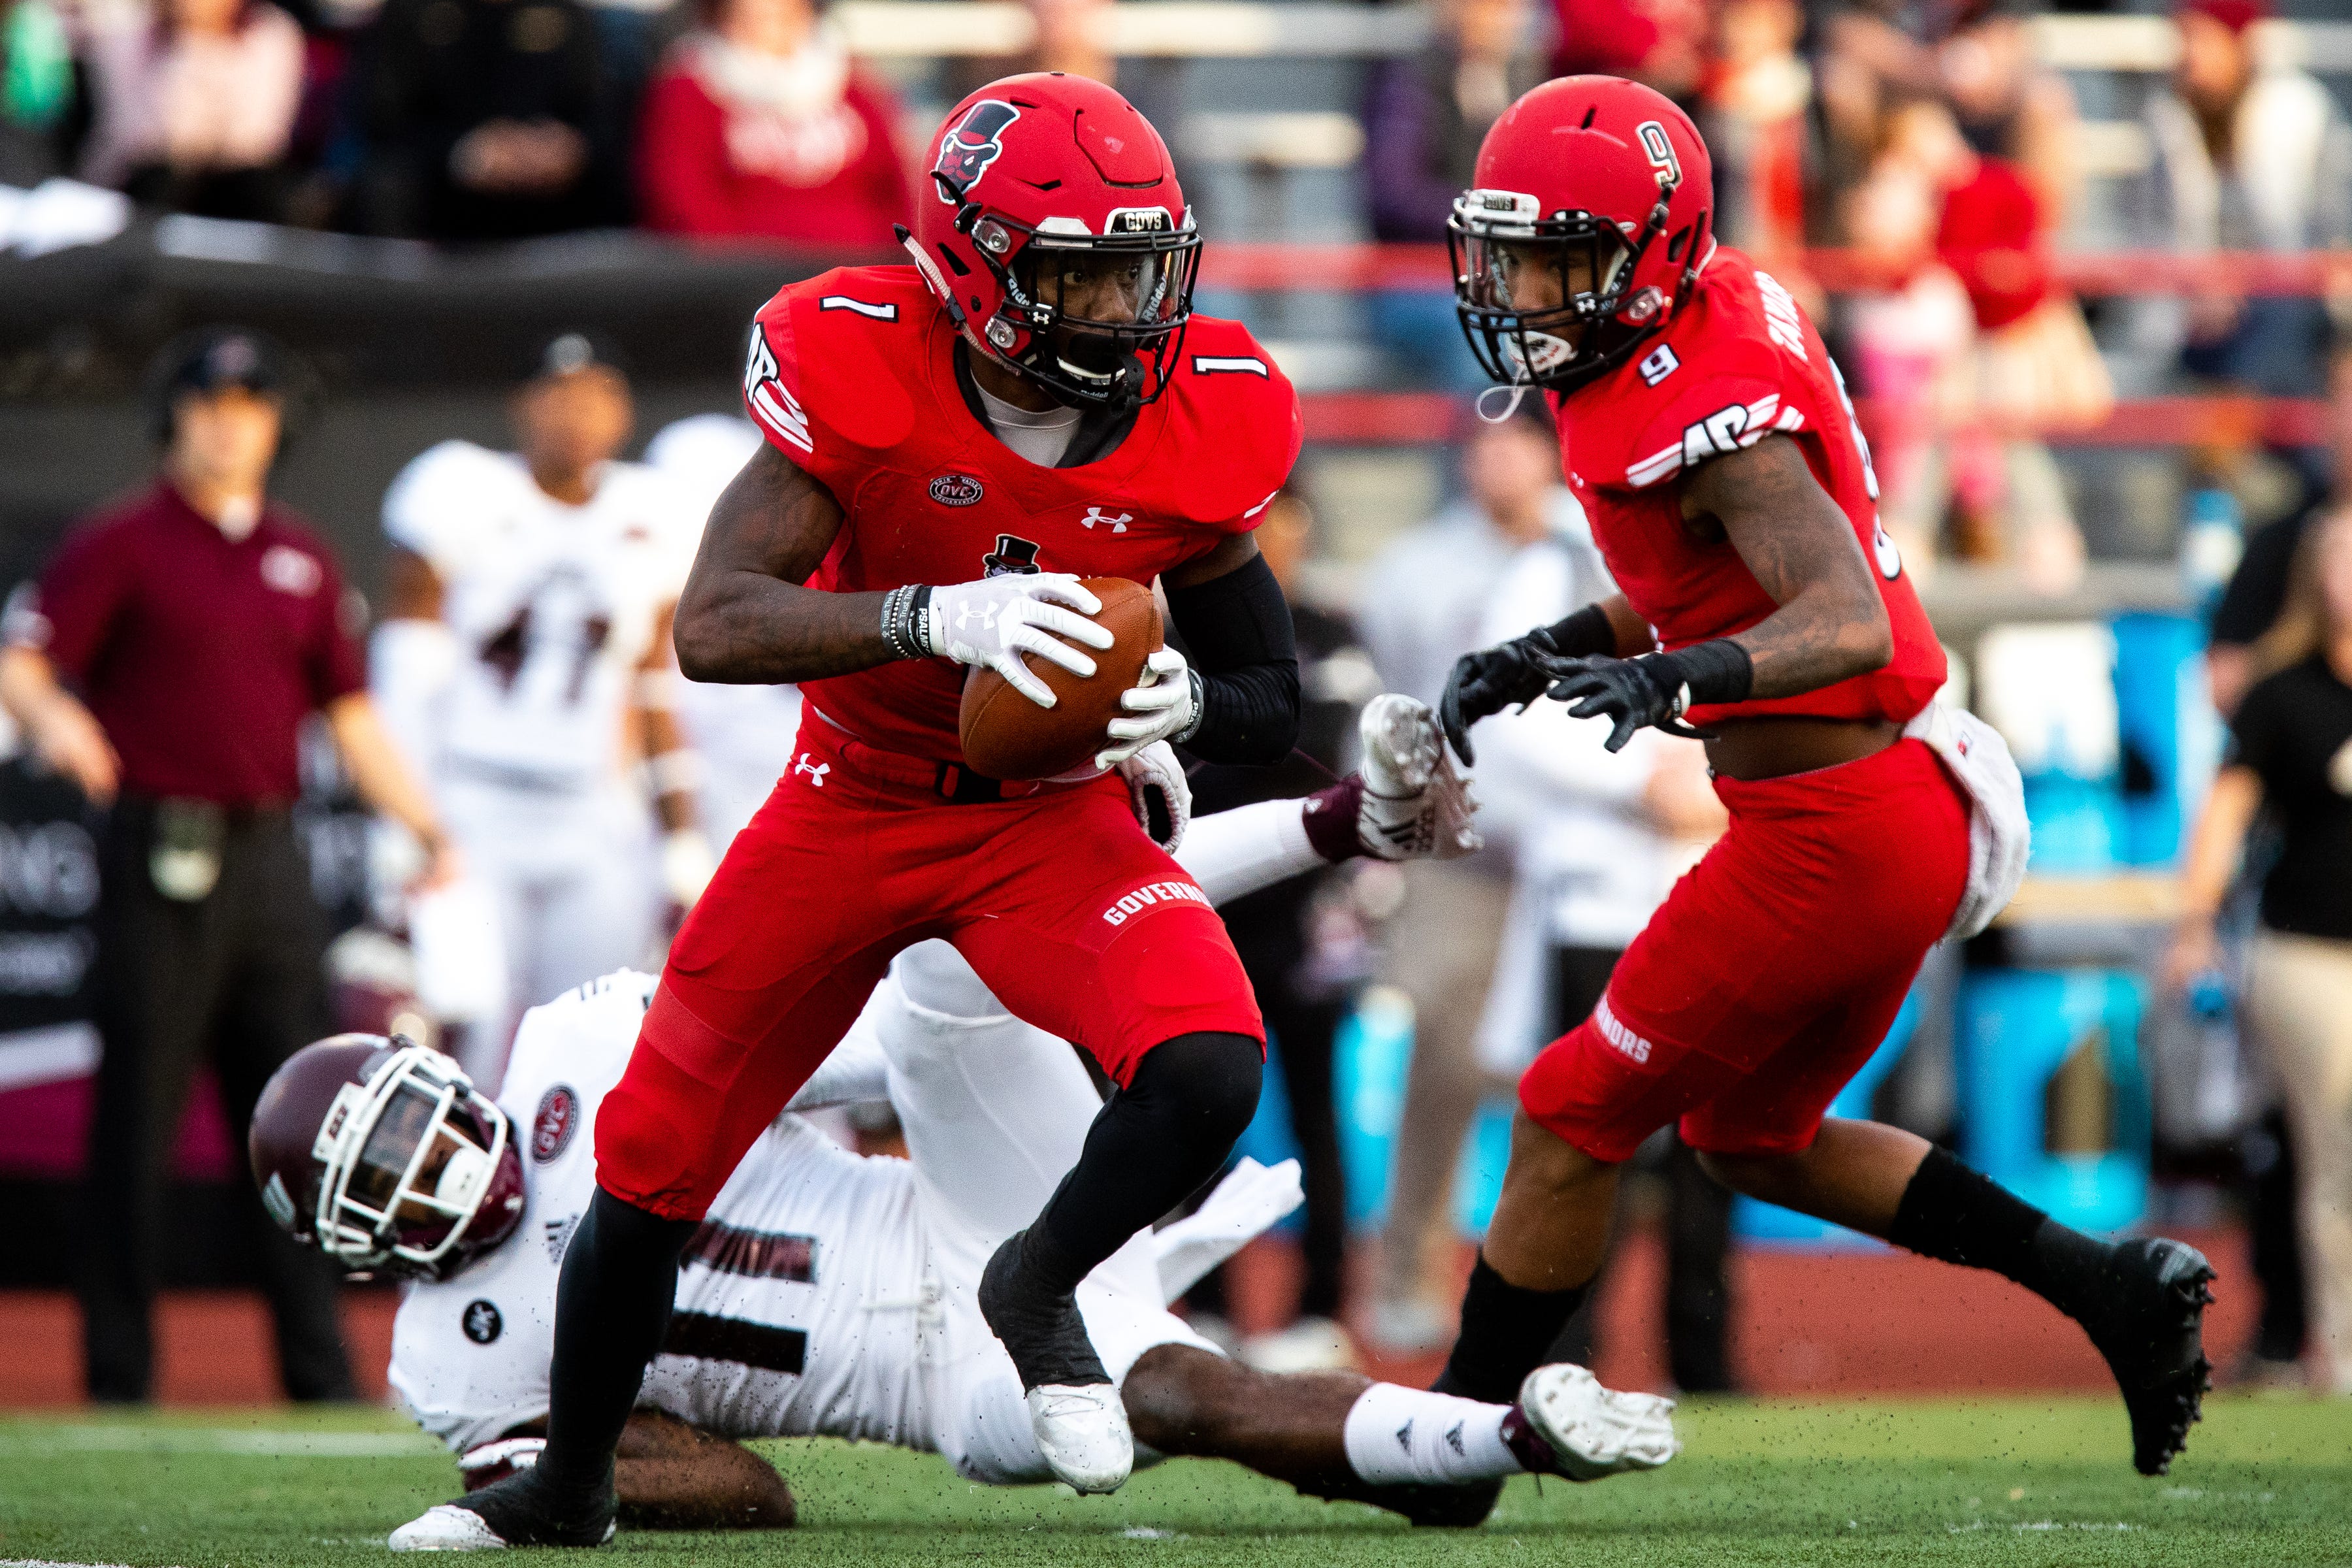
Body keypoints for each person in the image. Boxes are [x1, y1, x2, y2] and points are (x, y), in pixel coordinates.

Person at [434, 74, 1307, 1546]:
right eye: (1078, 272)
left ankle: (1032, 1283)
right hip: (851, 803)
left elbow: (1272, 692)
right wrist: (928, 616)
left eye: (1137, 266)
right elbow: (714, 624)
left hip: (1044, 818)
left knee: (1212, 1071)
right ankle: (574, 1480)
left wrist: (1192, 714)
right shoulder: (858, 357)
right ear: (970, 265)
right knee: (653, 1160)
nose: (1118, 308)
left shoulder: (1202, 415)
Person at [256, 716, 1655, 1546]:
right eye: (380, 1178)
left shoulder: (574, 1045)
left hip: (977, 1209)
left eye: (408, 1129)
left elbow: (862, 1053)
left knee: (944, 950)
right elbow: (753, 1493)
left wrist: (993, 1054)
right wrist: (554, 1473)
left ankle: (1339, 823)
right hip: (943, 1387)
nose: (427, 1164)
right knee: (1169, 1394)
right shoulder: (453, 1364)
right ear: (349, 1244)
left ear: (439, 1078)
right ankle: (1495, 1447)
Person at [1434, 76, 2212, 1494]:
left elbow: (1839, 613)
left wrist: (1677, 684)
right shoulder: (1690, 332)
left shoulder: (1710, 401)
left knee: (1567, 1114)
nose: (1521, 284)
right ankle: (2115, 1292)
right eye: (1510, 248)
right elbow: (1701, 577)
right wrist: (1549, 647)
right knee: (1751, 1139)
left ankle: (1447, 1444)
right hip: (1876, 815)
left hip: (1831, 831)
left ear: (1647, 256)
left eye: (1556, 255)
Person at [0, 327, 456, 1403]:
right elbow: (26, 659)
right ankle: (118, 1375)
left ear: (271, 423)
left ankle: (319, 1376)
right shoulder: (124, 541)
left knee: (299, 1122)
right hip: (163, 849)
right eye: (208, 402)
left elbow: (351, 716)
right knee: (137, 1124)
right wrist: (59, 721)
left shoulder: (298, 554)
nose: (227, 421)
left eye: (248, 403)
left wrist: (432, 829)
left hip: (271, 860)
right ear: (175, 419)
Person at [372, 333, 711, 1088]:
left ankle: (574, 1209)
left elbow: (654, 686)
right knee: (469, 1034)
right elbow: (407, 673)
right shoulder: (459, 492)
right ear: (520, 406)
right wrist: (406, 821)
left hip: (592, 816)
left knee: (596, 1039)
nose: (576, 414)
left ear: (623, 412)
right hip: (473, 807)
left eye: (596, 394)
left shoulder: (653, 514)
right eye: (557, 394)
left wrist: (680, 832)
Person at [1353, 404, 1571, 1352]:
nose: (1497, 460)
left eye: (1516, 440)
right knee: (1444, 1062)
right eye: (1480, 444)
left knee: (1575, 1085)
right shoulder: (1415, 569)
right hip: (1466, 852)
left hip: (1588, 857)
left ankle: (1558, 1297)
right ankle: (1409, 1276)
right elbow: (1397, 706)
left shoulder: (1595, 552)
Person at [1182, 488, 1377, 1372]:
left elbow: (1330, 757)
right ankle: (1207, 1305)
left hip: (1304, 909)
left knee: (1315, 1114)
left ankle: (1321, 1306)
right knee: (1195, 1105)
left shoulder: (1333, 634)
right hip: (1201, 901)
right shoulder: (1179, 632)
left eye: (1284, 534)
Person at [2166, 510, 2352, 1396]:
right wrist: (2194, 923)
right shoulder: (2285, 694)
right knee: (2341, 1143)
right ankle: (2339, 1352)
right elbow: (2227, 815)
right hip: (2309, 949)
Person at [2141, 0, 2352, 399]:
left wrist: (2234, 283)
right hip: (2195, 312)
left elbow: (2302, 241)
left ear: (2238, 42)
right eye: (2183, 37)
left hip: (2292, 311)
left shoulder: (2297, 113)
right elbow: (2155, 230)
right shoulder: (2170, 117)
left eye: (2200, 37)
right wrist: (2203, 284)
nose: (2188, 54)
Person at [634, 0, 910, 247]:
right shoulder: (690, 89)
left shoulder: (855, 86)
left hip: (858, 266)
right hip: (745, 276)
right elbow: (681, 206)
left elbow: (900, 192)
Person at [350, 0, 619, 240]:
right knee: (384, 183)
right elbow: (382, 120)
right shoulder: (412, 12)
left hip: (549, 189)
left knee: (613, 181)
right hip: (440, 187)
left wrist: (566, 148)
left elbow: (599, 119)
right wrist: (463, 152)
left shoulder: (568, 16)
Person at [76, 0, 304, 221]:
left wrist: (211, 50)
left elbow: (258, 140)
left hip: (232, 184)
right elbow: (146, 137)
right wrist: (187, 46)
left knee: (256, 188)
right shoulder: (126, 33)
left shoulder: (272, 33)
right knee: (161, 180)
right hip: (133, 179)